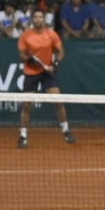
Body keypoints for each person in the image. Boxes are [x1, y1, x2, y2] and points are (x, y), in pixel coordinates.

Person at [16, 10, 74, 147]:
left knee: (58, 101)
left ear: (43, 19)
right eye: (35, 17)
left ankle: (66, 130)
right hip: (31, 73)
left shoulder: (51, 34)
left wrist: (56, 64)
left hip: (48, 72)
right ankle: (23, 135)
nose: (38, 19)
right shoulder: (25, 36)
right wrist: (29, 60)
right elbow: (22, 54)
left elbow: (61, 51)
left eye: (40, 16)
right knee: (26, 105)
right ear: (32, 20)